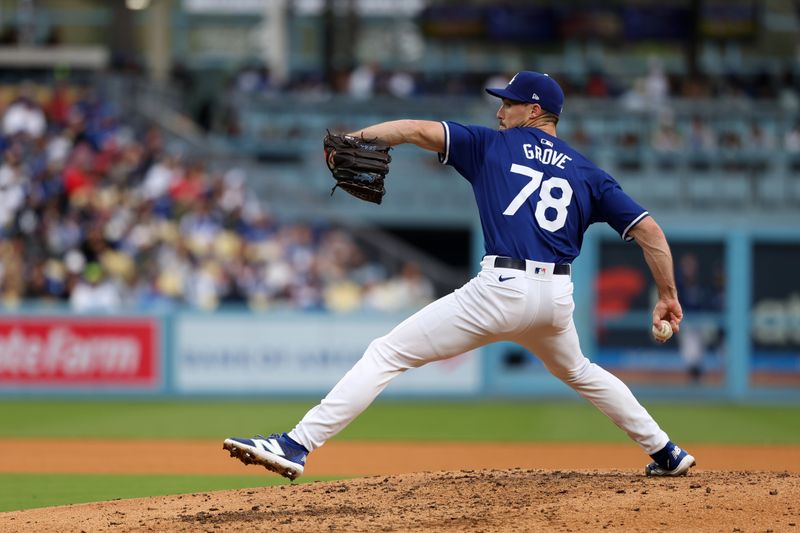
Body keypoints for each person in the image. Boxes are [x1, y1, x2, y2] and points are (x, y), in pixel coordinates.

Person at [224, 71, 696, 479]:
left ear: (534, 110)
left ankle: (295, 445)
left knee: (386, 352)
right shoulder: (588, 172)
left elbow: (411, 129)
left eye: (508, 103)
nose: (500, 111)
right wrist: (668, 295)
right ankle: (666, 451)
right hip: (555, 298)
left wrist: (357, 140)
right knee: (580, 371)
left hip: (501, 288)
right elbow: (650, 230)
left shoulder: (490, 144)